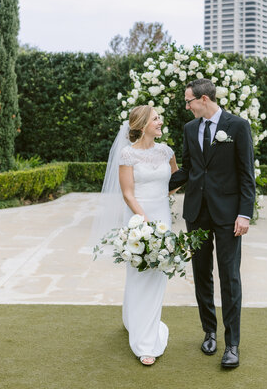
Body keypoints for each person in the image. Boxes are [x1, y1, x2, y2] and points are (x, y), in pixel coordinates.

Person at [169, 78, 255, 369]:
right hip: (197, 213)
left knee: (229, 276)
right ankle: (210, 331)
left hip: (229, 215)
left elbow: (246, 174)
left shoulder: (238, 126)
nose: (187, 106)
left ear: (204, 100)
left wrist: (245, 213)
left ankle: (232, 344)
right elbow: (189, 168)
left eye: (189, 101)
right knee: (201, 273)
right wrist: (157, 182)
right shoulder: (190, 129)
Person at [96, 105, 178, 366]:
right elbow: (128, 193)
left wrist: (162, 200)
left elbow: (176, 180)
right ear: (142, 125)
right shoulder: (127, 154)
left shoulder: (167, 152)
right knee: (139, 273)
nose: (160, 122)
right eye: (156, 119)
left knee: (157, 275)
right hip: (139, 219)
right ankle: (143, 341)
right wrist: (143, 218)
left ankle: (147, 334)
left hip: (162, 219)